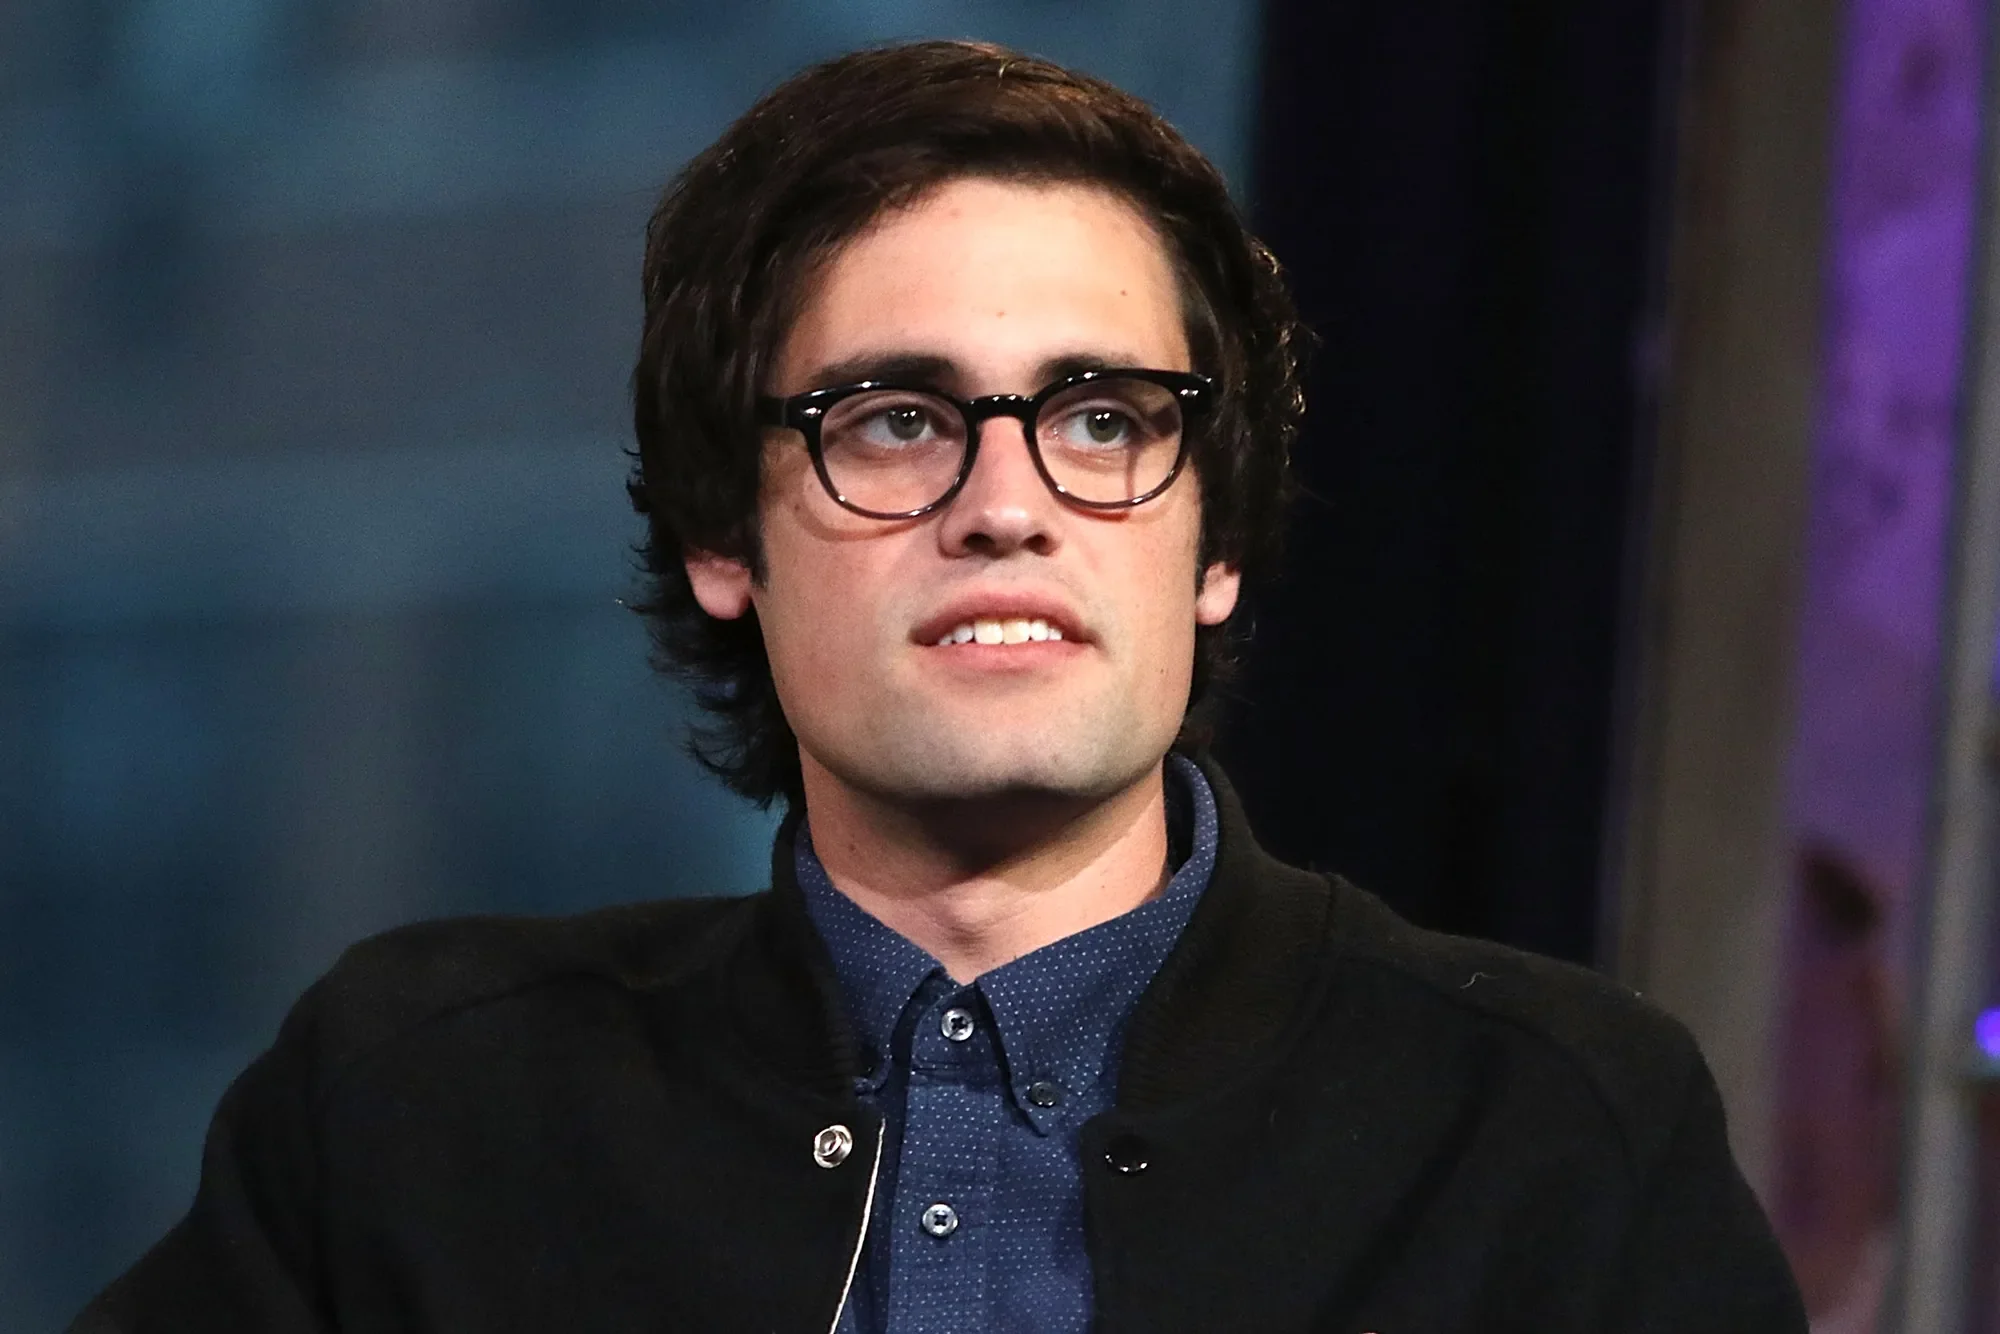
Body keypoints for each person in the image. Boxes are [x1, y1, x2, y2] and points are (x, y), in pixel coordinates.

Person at [74, 39, 1807, 1333]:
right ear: (724, 535)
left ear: (1215, 544)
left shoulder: (1549, 1136)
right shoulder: (420, 1110)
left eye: (1103, 419)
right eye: (897, 419)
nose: (1005, 502)